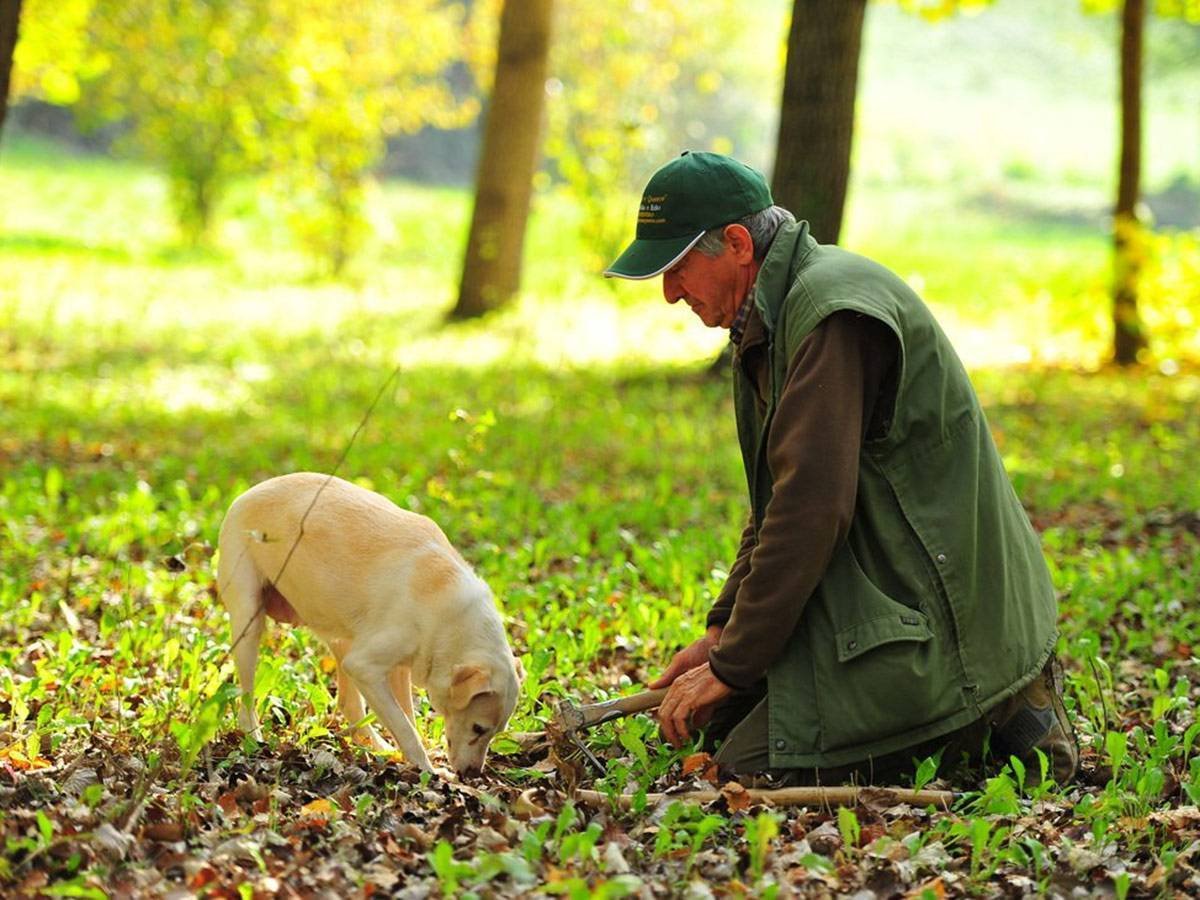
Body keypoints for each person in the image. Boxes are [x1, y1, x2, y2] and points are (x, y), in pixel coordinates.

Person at [604, 150, 1077, 786]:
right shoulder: (771, 316)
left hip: (949, 622)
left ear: (739, 244)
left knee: (745, 771)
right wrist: (722, 635)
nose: (668, 294)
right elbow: (777, 501)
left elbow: (810, 511)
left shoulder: (828, 314)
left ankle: (999, 716)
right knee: (711, 730)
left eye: (679, 268)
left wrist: (735, 665)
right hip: (884, 587)